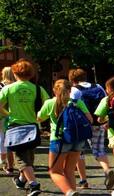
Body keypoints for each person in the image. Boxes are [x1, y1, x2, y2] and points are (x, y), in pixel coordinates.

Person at [0, 59, 49, 195]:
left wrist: (8, 113)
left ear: (15, 73)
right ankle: (21, 181)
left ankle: (34, 184)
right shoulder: (38, 89)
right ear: (31, 74)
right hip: (33, 127)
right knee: (29, 156)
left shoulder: (8, 88)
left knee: (21, 159)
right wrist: (40, 117)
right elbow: (48, 105)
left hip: (15, 127)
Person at [37, 78, 93, 196]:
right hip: (78, 139)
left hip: (59, 140)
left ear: (54, 90)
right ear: (70, 90)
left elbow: (39, 118)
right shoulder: (78, 102)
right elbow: (90, 119)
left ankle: (69, 192)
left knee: (54, 171)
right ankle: (72, 191)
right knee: (69, 170)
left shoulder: (50, 103)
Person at [68, 68, 114, 191]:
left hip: (81, 125)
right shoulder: (98, 87)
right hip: (98, 122)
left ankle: (83, 181)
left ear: (72, 80)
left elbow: (71, 106)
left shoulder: (74, 90)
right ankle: (107, 170)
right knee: (99, 150)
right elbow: (106, 102)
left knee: (79, 152)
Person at [0, 66, 15, 176]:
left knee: (1, 136)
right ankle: (9, 162)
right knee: (9, 138)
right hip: (13, 114)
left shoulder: (1, 86)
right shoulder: (15, 86)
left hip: (1, 114)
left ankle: (3, 160)